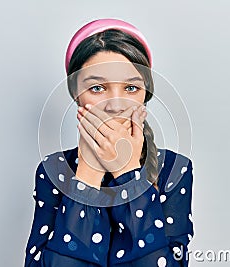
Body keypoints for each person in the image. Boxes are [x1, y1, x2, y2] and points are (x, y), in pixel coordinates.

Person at [24, 18, 194, 267]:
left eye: (131, 88)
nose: (115, 105)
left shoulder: (173, 170)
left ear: (145, 93)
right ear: (75, 94)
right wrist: (88, 173)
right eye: (97, 88)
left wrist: (127, 172)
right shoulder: (54, 172)